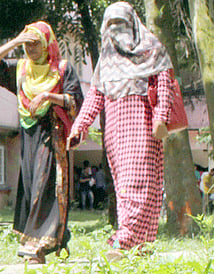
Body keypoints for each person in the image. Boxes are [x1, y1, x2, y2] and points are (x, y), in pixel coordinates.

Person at [69, 2, 181, 252]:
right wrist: (80, 126)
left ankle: (125, 238)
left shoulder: (152, 49)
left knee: (139, 182)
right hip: (114, 131)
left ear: (132, 23)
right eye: (110, 25)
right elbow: (95, 96)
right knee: (123, 187)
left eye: (120, 23)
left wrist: (161, 117)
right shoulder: (106, 60)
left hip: (144, 127)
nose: (115, 30)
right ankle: (141, 245)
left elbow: (164, 86)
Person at [0, 21, 83, 262]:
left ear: (47, 44)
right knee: (31, 188)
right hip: (29, 137)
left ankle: (39, 244)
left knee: (45, 185)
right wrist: (16, 42)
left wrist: (49, 95)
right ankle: (58, 237)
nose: (31, 49)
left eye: (35, 43)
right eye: (27, 45)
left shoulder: (61, 69)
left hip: (53, 135)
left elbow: (76, 100)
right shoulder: (21, 70)